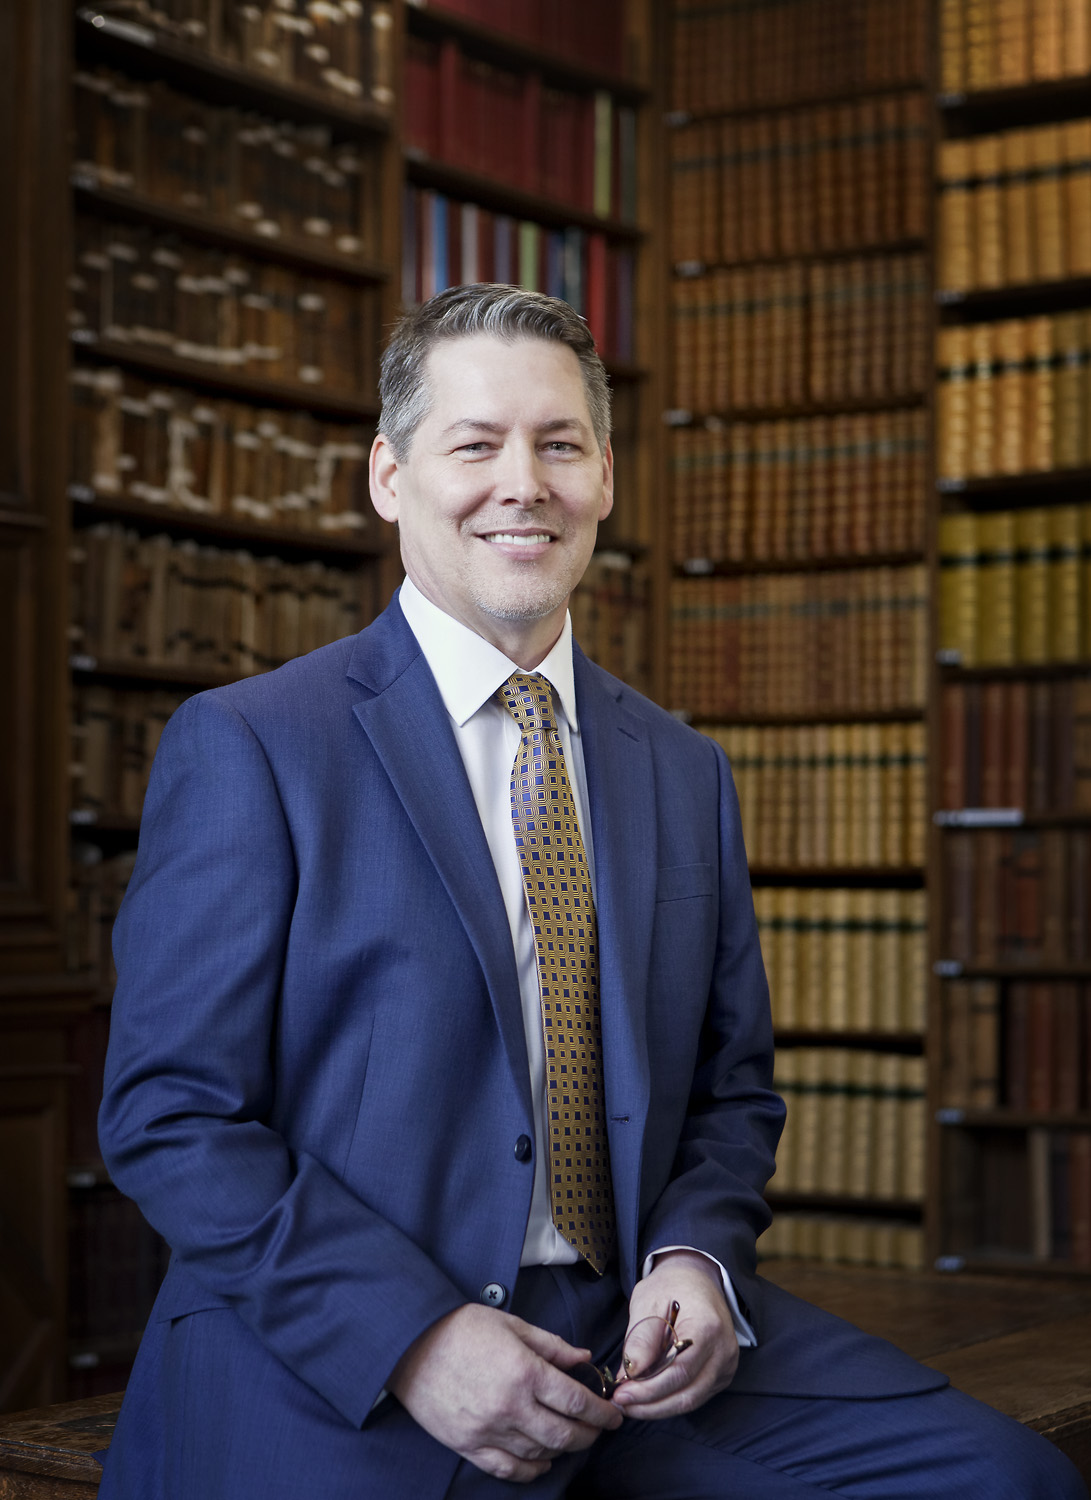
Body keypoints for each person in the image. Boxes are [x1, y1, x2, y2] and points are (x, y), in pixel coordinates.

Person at [96, 284, 1087, 1500]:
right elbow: (169, 1114)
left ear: (604, 477)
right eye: (474, 444)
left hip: (632, 1334)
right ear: (389, 478)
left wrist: (696, 1258)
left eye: (558, 444)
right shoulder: (253, 744)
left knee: (1003, 1485)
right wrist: (416, 1336)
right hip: (348, 1341)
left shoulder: (679, 767)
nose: (523, 482)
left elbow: (732, 1092)